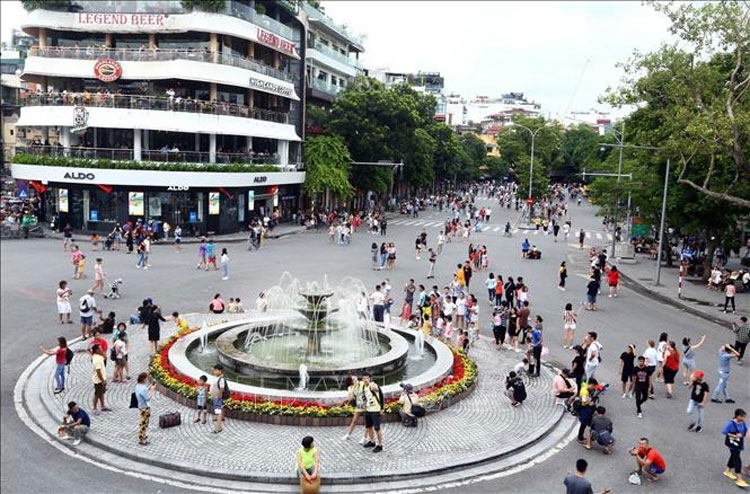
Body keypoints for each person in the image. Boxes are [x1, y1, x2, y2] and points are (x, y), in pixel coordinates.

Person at [722, 408, 749, 488]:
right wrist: (734, 435)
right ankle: (739, 478)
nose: (743, 418)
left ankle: (728, 471)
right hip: (732, 444)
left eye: (744, 416)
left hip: (739, 444)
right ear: (737, 416)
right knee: (737, 459)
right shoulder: (731, 424)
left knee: (733, 456)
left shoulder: (743, 423)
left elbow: (745, 431)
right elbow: (724, 432)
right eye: (742, 416)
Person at [361, 372, 384, 452]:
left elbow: (380, 394)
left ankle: (380, 445)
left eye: (367, 378)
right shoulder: (364, 386)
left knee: (377, 428)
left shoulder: (372, 385)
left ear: (370, 378)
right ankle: (372, 441)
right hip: (368, 410)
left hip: (375, 410)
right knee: (369, 426)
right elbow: (365, 397)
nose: (365, 380)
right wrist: (364, 404)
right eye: (364, 378)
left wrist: (382, 408)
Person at [342, 375, 367, 442]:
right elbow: (350, 398)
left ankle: (364, 437)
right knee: (354, 421)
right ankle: (348, 434)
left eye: (355, 378)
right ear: (351, 382)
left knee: (367, 422)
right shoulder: (351, 388)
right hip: (359, 405)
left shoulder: (362, 383)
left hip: (366, 405)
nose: (355, 379)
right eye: (353, 379)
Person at [135, 372, 156, 445]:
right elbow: (148, 398)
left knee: (144, 421)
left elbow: (144, 392)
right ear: (144, 379)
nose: (147, 379)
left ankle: (143, 435)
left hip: (141, 406)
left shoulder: (138, 386)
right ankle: (142, 439)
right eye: (146, 378)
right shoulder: (143, 388)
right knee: (144, 423)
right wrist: (152, 390)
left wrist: (149, 387)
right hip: (145, 407)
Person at [90, 343, 110, 415]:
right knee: (97, 394)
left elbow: (105, 358)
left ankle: (103, 406)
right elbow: (98, 371)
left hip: (102, 379)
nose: (102, 349)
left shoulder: (98, 356)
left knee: (101, 393)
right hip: (99, 380)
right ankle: (94, 408)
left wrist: (103, 353)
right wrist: (102, 380)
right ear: (97, 350)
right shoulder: (97, 359)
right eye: (100, 348)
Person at [211, 364, 228, 433]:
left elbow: (222, 389)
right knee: (219, 410)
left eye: (216, 370)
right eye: (214, 370)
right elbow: (213, 370)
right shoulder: (217, 376)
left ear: (220, 371)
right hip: (216, 397)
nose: (214, 372)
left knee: (218, 412)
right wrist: (213, 369)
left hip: (217, 398)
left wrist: (218, 396)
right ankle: (222, 419)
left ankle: (218, 428)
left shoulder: (221, 379)